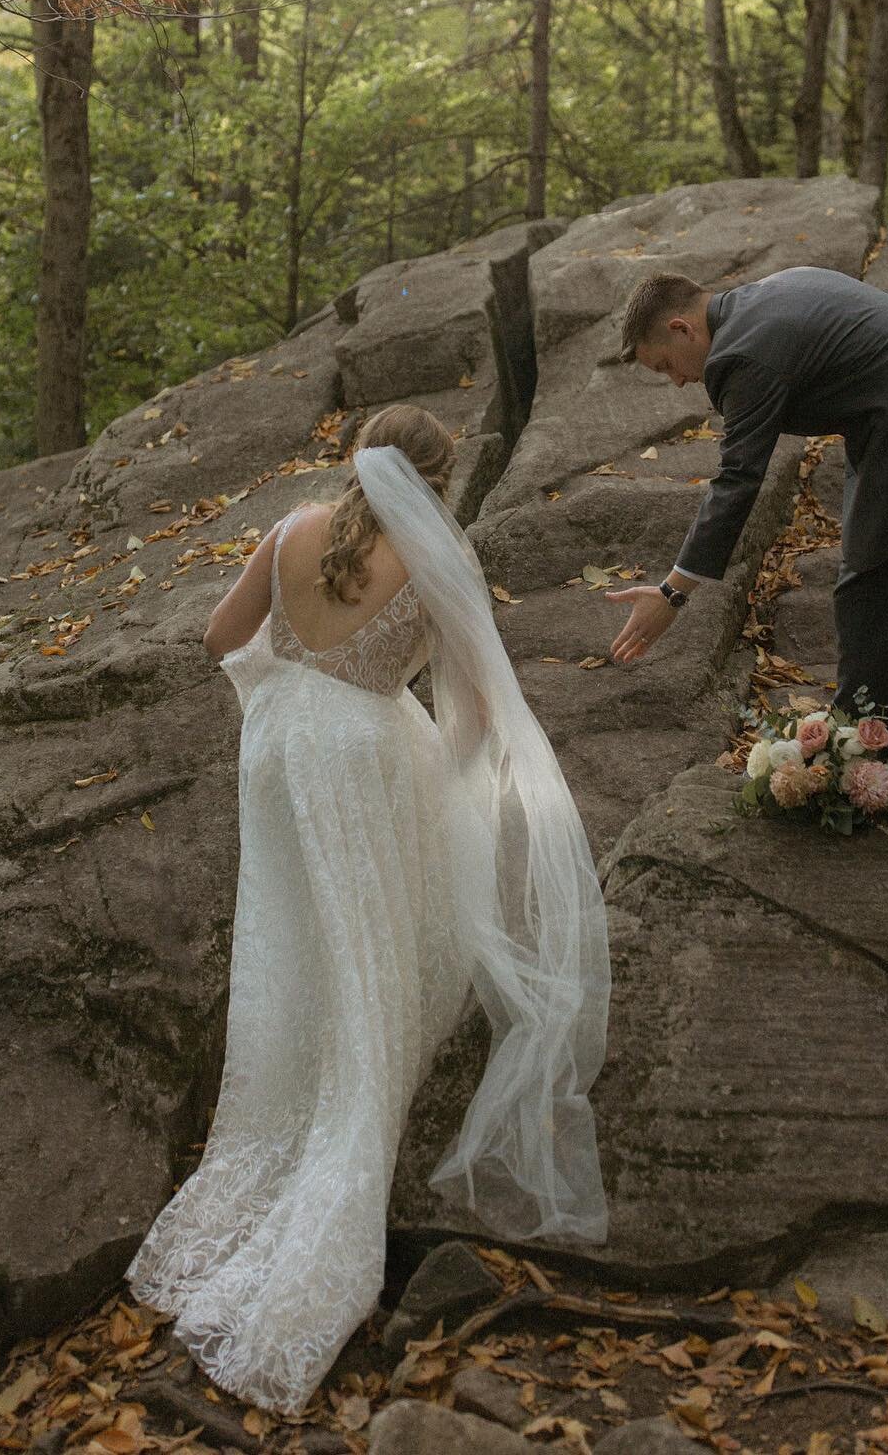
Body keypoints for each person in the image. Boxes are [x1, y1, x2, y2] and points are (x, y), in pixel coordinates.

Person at [125, 404, 610, 1415]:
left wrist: (289, 704)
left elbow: (221, 637)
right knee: (370, 959)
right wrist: (438, 776)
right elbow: (476, 714)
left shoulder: (295, 527)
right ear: (438, 475)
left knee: (289, 949)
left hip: (280, 746)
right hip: (359, 759)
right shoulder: (437, 559)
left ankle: (269, 1139)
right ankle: (333, 1191)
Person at [605, 266, 888, 747]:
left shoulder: (741, 354)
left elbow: (738, 480)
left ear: (681, 328)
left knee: (869, 597)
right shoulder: (780, 286)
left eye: (666, 365)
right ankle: (858, 751)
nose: (679, 382)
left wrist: (672, 594)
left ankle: (850, 768)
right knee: (887, 594)